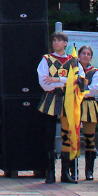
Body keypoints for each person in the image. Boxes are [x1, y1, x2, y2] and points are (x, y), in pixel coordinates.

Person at [34, 31, 83, 184]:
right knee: (48, 135)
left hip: (68, 100)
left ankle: (65, 173)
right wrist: (64, 82)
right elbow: (43, 82)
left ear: (65, 43)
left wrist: (57, 79)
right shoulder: (46, 59)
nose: (56, 43)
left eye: (59, 40)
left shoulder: (73, 61)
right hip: (51, 99)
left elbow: (80, 80)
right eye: (54, 40)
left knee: (67, 135)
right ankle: (49, 172)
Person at [76, 45, 98, 180]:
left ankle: (89, 171)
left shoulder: (94, 72)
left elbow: (94, 89)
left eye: (88, 54)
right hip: (75, 105)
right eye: (83, 53)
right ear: (79, 55)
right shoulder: (73, 69)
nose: (85, 56)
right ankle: (72, 170)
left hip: (89, 106)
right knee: (72, 138)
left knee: (89, 139)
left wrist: (81, 92)